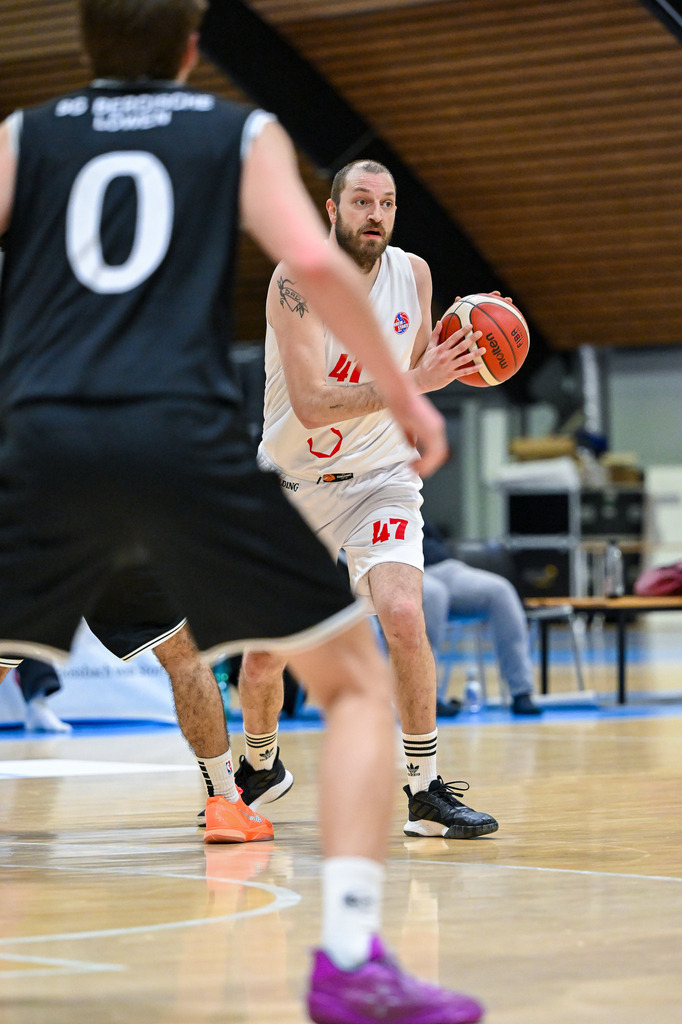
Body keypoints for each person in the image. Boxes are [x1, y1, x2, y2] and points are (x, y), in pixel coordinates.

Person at [0, 2, 483, 1020]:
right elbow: (312, 267)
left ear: (85, 46)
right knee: (349, 682)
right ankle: (349, 956)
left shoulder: (23, 136)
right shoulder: (240, 133)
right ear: (189, 48)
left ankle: (242, 787)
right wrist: (408, 393)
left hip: (41, 437)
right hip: (168, 441)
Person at [238, 157, 499, 842]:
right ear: (332, 211)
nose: (375, 214)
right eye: (361, 201)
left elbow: (417, 372)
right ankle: (260, 768)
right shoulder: (295, 281)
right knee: (265, 656)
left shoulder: (413, 275)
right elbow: (313, 405)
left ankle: (424, 790)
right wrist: (418, 381)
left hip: (379, 478)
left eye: (385, 203)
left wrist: (469, 347)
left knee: (405, 614)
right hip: (293, 487)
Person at [421, 520, 542, 715]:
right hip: (398, 569)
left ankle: (522, 692)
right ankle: (425, 698)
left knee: (500, 591)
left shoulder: (409, 495)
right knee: (434, 595)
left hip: (442, 566)